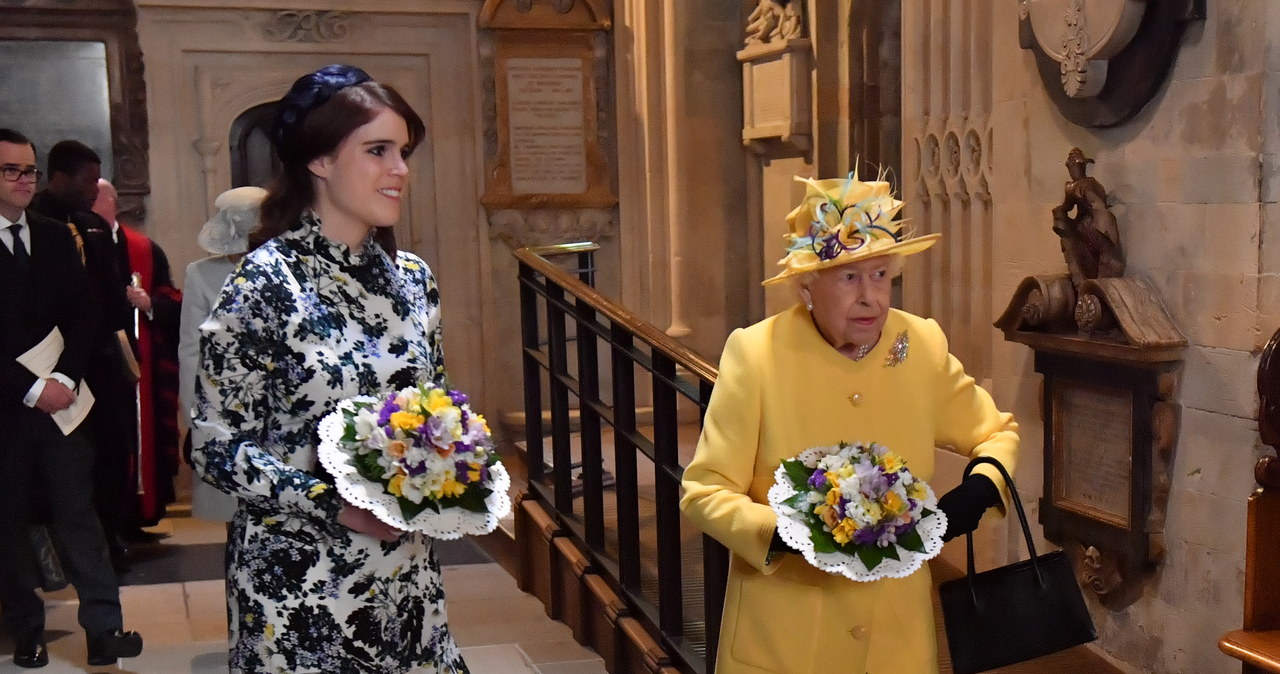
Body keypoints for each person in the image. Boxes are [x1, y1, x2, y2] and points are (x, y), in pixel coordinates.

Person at [679, 173, 1020, 674]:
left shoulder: (919, 344)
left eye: (881, 275)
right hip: (785, 644)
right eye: (849, 277)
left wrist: (979, 489)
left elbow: (995, 432)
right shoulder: (756, 354)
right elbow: (704, 490)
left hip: (896, 646)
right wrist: (783, 533)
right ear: (806, 286)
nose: (871, 298)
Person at [191, 65, 467, 673]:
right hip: (299, 586)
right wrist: (333, 503)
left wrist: (453, 471)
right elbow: (213, 447)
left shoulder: (413, 281)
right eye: (377, 151)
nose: (399, 169)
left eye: (404, 152)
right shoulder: (265, 282)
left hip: (403, 578)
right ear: (319, 161)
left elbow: (434, 412)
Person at [0, 128, 143, 668]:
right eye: (11, 170)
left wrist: (62, 378)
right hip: (8, 406)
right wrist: (32, 387)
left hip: (64, 403)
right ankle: (27, 630)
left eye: (29, 170)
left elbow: (85, 316)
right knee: (8, 522)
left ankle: (105, 628)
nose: (23, 180)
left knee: (78, 514)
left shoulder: (57, 235)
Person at [27, 141, 139, 568]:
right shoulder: (39, 223)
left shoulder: (92, 225)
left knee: (110, 450)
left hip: (99, 356)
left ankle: (108, 536)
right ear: (59, 176)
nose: (94, 188)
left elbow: (108, 292)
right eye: (87, 179)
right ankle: (59, 548)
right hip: (51, 358)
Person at [91, 178, 183, 532]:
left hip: (139, 357)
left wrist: (149, 305)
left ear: (113, 202)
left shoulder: (144, 249)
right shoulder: (75, 241)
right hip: (97, 361)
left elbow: (173, 301)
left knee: (141, 430)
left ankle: (140, 511)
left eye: (99, 196)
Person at [179, 186, 266, 524]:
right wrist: (194, 417)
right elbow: (191, 349)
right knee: (235, 512)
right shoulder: (200, 274)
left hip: (279, 402)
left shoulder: (288, 267)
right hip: (224, 405)